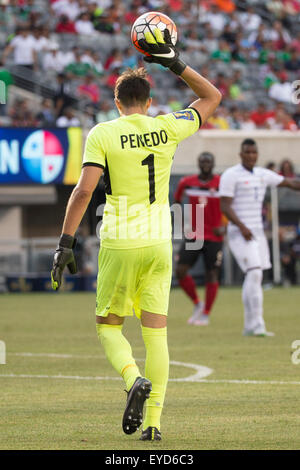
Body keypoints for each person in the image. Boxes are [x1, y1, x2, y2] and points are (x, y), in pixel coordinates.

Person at [50, 28, 221, 441]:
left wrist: (65, 242)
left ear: (116, 102)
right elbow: (212, 97)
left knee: (108, 326)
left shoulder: (103, 133)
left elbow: (84, 190)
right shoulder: (167, 127)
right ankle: (154, 423)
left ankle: (132, 380)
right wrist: (173, 62)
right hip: (159, 242)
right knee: (156, 331)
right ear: (149, 102)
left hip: (119, 241)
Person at [219, 138, 300, 337]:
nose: (251, 156)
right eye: (247, 152)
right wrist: (242, 226)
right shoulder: (231, 175)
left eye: (254, 152)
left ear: (257, 154)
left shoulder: (263, 174)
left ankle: (251, 326)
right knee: (254, 272)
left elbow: (290, 183)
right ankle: (256, 325)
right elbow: (225, 206)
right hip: (240, 233)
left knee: (256, 275)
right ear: (241, 154)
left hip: (257, 234)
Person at [174, 152, 226, 326]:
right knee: (180, 271)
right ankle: (197, 303)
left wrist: (225, 225)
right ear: (198, 163)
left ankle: (206, 313)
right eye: (203, 161)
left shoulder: (221, 183)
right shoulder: (187, 182)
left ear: (213, 164)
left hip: (214, 236)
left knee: (211, 274)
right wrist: (182, 222)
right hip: (194, 235)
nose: (205, 164)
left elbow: (231, 204)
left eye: (208, 161)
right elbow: (176, 200)